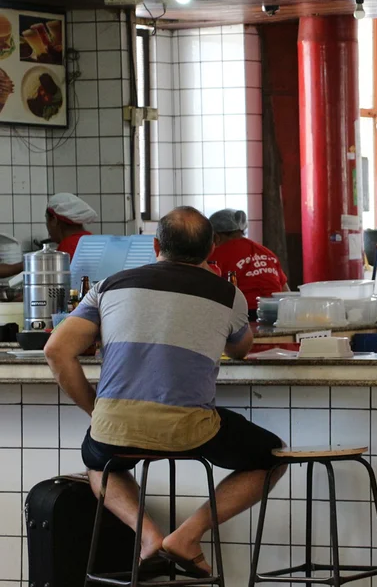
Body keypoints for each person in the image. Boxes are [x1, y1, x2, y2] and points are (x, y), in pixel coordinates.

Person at [43, 207, 286, 577]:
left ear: (155, 245)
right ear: (211, 249)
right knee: (273, 456)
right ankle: (187, 536)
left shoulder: (109, 286)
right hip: (191, 431)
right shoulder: (227, 294)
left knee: (98, 462)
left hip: (114, 428)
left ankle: (149, 537)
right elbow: (241, 348)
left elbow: (56, 349)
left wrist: (96, 410)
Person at [206, 209, 289, 320]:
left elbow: (206, 292)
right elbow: (286, 291)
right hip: (278, 313)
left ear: (216, 237)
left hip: (243, 316)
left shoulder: (216, 254)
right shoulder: (266, 252)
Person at [0, 193, 97, 277]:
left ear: (54, 220)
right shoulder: (91, 240)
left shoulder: (68, 247)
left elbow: (55, 287)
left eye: (46, 220)